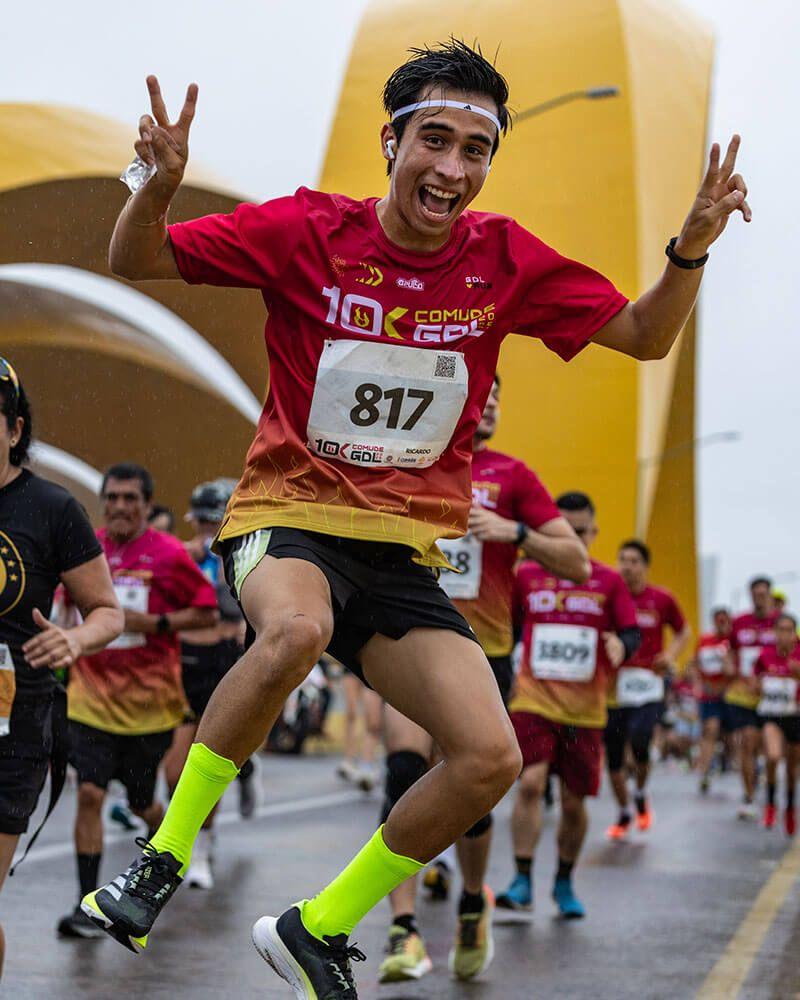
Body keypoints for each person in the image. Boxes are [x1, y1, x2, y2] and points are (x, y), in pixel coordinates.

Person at [83, 40, 749, 995]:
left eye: (476, 150)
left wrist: (691, 247)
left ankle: (318, 927)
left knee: (490, 758)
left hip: (401, 555)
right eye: (434, 140)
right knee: (297, 630)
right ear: (390, 142)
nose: (452, 169)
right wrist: (155, 187)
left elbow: (645, 336)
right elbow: (135, 258)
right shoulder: (308, 230)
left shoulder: (504, 258)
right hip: (290, 516)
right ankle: (161, 859)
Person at [377, 377, 588, 983]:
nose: (491, 401)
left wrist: (514, 532)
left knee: (469, 791)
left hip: (480, 652)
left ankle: (473, 901)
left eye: (499, 395)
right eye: (481, 389)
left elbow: (575, 561)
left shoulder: (513, 477)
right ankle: (404, 928)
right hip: (407, 638)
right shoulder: (409, 459)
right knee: (401, 773)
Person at [57, 463, 218, 938]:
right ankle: (86, 906)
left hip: (148, 707)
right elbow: (64, 605)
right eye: (113, 497)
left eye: (131, 498)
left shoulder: (168, 554)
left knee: (143, 802)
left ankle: (167, 851)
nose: (120, 506)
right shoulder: (87, 550)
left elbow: (207, 613)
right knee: (90, 794)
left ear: (147, 504)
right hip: (89, 699)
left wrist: (155, 624)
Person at [0, 359, 122, 978]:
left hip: (13, 724)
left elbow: (108, 612)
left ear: (14, 429)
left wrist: (73, 640)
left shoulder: (51, 509)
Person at [495, 491, 639, 920]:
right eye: (565, 530)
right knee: (530, 784)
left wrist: (621, 645)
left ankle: (563, 879)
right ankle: (522, 879)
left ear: (594, 532)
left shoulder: (608, 581)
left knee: (574, 803)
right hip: (534, 700)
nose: (573, 539)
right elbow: (509, 629)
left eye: (581, 531)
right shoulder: (527, 575)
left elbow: (631, 632)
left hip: (584, 712)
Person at [161, 479, 255, 891]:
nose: (204, 530)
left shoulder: (244, 552)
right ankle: (184, 840)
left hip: (225, 659)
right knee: (173, 771)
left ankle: (201, 847)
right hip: (186, 661)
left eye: (211, 523)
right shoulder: (183, 556)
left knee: (211, 758)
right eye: (199, 523)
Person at [605, 540, 690, 839]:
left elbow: (683, 630)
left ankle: (640, 791)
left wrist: (670, 655)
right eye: (622, 560)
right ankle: (624, 811)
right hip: (614, 685)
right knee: (614, 755)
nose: (627, 566)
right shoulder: (610, 596)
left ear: (645, 566)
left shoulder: (661, 599)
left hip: (648, 683)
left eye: (634, 561)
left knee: (640, 738)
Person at [724, 577, 778, 820]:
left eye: (763, 594)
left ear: (770, 595)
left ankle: (769, 784)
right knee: (747, 741)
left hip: (773, 697)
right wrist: (730, 668)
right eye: (755, 594)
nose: (759, 598)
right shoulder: (739, 622)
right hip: (743, 694)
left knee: (770, 748)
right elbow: (729, 652)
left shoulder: (781, 623)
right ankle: (748, 796)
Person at [753, 613, 800, 835]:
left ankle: (789, 808)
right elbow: (754, 680)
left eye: (789, 630)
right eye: (780, 629)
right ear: (774, 632)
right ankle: (770, 803)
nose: (784, 634)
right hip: (771, 715)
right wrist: (757, 685)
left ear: (794, 634)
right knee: (773, 756)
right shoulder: (765, 655)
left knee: (792, 769)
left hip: (795, 716)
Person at [690, 607, 733, 794]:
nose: (721, 623)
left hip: (730, 694)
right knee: (710, 730)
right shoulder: (704, 640)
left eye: (725, 620)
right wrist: (697, 683)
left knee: (733, 736)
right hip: (709, 695)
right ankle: (705, 773)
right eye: (718, 620)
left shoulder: (733, 641)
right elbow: (694, 664)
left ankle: (736, 763)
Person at [336, 669, 383, 792]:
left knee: (373, 720)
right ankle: (349, 760)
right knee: (351, 713)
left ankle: (367, 764)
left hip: (372, 666)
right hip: (351, 668)